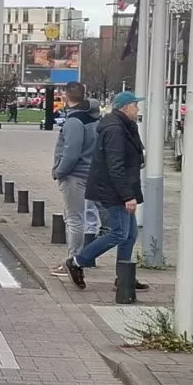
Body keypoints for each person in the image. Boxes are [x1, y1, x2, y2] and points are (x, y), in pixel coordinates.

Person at [64, 91, 148, 291]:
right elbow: (115, 165)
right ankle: (77, 261)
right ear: (125, 107)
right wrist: (128, 196)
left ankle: (124, 277)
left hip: (120, 187)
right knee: (119, 233)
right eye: (135, 106)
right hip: (113, 190)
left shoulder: (126, 126)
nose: (138, 109)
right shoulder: (115, 130)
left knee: (130, 234)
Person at [50, 83, 100, 276]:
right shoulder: (92, 118)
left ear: (65, 96)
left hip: (75, 175)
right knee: (84, 218)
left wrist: (59, 171)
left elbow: (71, 152)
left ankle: (73, 261)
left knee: (74, 219)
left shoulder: (74, 121)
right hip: (90, 172)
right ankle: (79, 258)